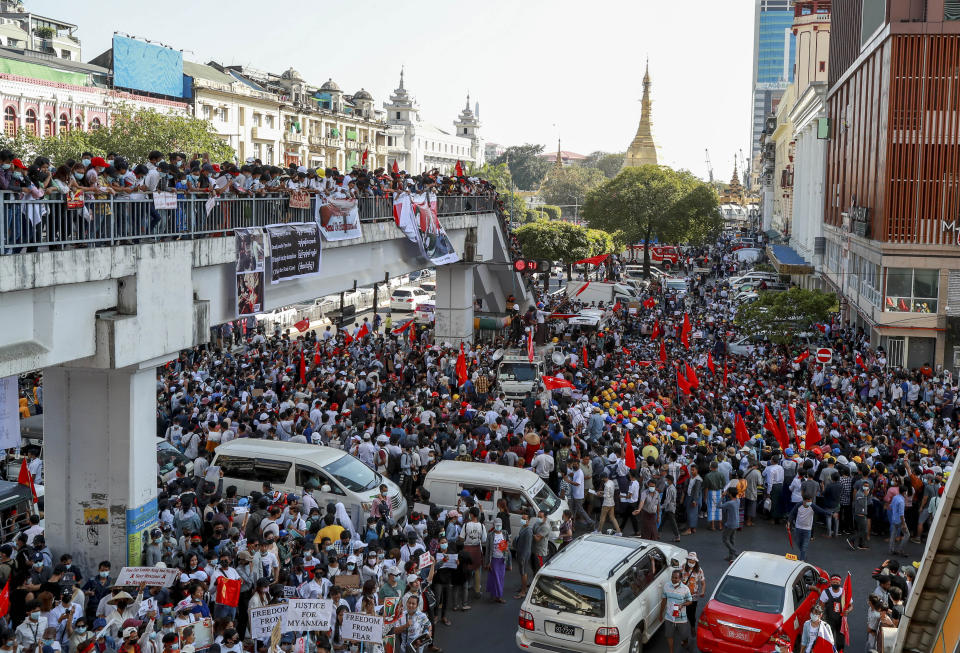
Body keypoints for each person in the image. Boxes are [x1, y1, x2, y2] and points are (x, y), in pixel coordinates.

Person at [660, 568, 693, 653]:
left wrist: (682, 605)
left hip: (681, 618)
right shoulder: (666, 586)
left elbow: (690, 601)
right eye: (672, 577)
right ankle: (671, 651)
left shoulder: (685, 589)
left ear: (680, 579)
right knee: (669, 635)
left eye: (676, 578)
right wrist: (660, 614)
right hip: (669, 616)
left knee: (684, 634)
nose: (673, 579)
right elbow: (664, 600)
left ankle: (685, 641)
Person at [819, 574, 851, 651]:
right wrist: (821, 617)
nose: (835, 584)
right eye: (833, 582)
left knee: (840, 641)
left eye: (837, 583)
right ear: (830, 583)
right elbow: (821, 606)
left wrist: (848, 611)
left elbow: (851, 605)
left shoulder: (844, 592)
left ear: (840, 583)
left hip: (841, 620)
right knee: (829, 639)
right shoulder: (825, 593)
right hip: (829, 620)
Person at [484, 518, 510, 603]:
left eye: (500, 525)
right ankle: (498, 596)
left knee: (500, 578)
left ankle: (495, 595)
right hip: (494, 560)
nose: (498, 527)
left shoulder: (505, 533)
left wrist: (509, 563)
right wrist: (487, 562)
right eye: (497, 525)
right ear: (493, 525)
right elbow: (488, 550)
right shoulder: (490, 535)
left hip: (502, 559)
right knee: (496, 578)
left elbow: (507, 547)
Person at [679, 552, 705, 629]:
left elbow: (703, 583)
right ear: (687, 560)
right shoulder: (682, 568)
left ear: (695, 562)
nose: (691, 562)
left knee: (691, 614)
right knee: (680, 612)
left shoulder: (699, 570)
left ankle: (692, 627)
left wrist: (703, 591)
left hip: (693, 597)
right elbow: (677, 579)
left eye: (693, 561)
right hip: (681, 595)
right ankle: (681, 628)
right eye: (689, 561)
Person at [720, 487, 740, 562]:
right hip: (737, 523)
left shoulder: (729, 503)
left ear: (730, 494)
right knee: (732, 539)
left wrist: (722, 496)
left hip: (730, 524)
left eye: (728, 492)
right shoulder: (738, 500)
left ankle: (735, 553)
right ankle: (730, 556)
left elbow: (718, 506)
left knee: (725, 539)